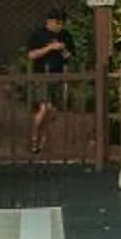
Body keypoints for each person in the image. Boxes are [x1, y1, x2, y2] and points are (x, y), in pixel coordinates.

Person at [24, 12, 72, 154]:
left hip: (57, 76)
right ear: (49, 22)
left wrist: (62, 48)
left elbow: (69, 57)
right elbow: (31, 55)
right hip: (41, 75)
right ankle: (33, 138)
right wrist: (49, 48)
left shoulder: (65, 35)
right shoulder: (38, 35)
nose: (59, 26)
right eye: (57, 23)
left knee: (51, 111)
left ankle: (42, 140)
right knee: (44, 107)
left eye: (61, 24)